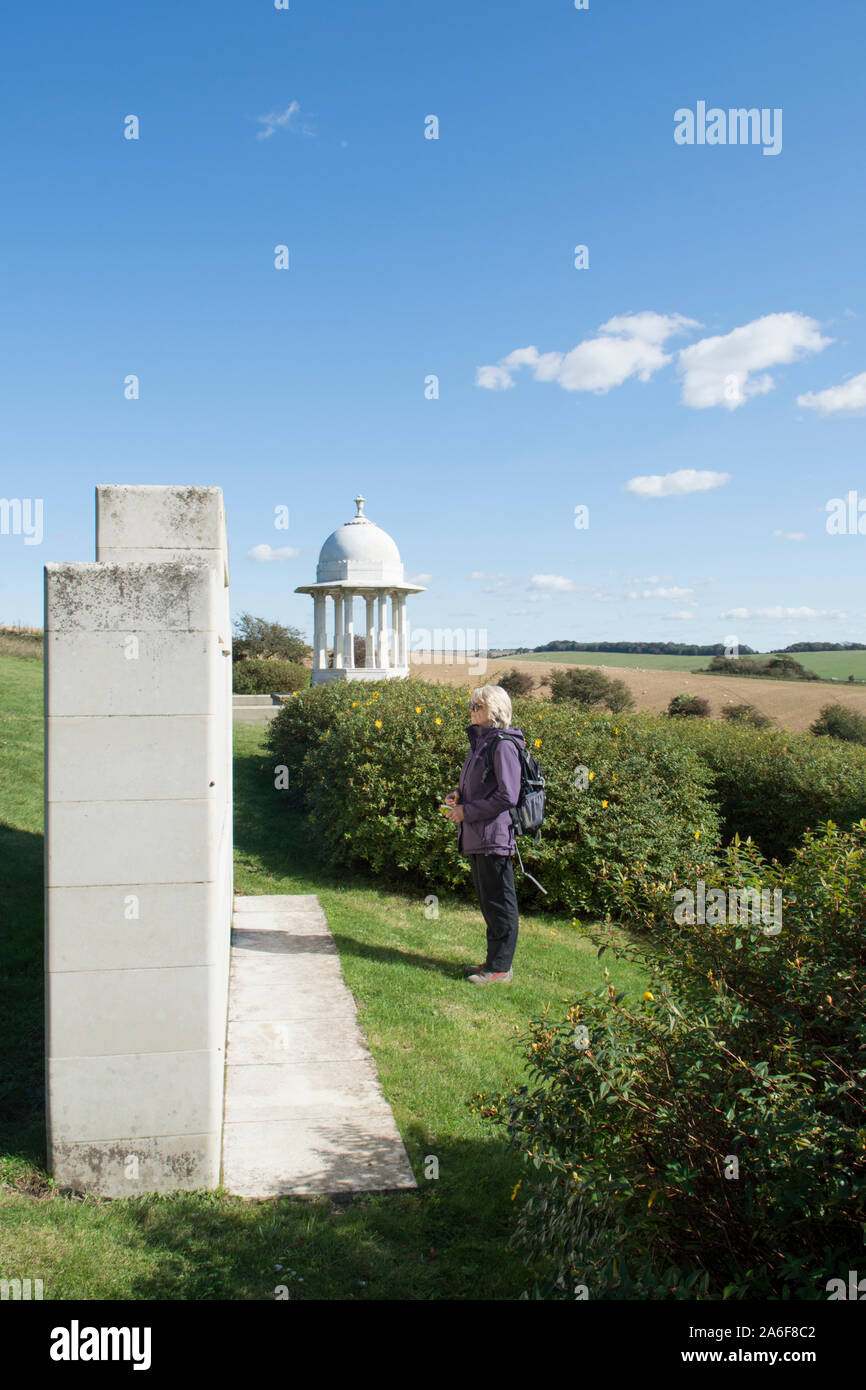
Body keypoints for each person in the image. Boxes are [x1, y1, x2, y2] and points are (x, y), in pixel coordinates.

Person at [443, 684, 524, 985]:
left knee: (500, 903)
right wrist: (458, 796)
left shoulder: (502, 745)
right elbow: (482, 786)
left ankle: (500, 969)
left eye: (477, 705)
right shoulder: (481, 742)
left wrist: (467, 812)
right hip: (479, 835)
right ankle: (492, 962)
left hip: (494, 836)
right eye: (471, 704)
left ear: (495, 712)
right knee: (489, 902)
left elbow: (508, 796)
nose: (471, 709)